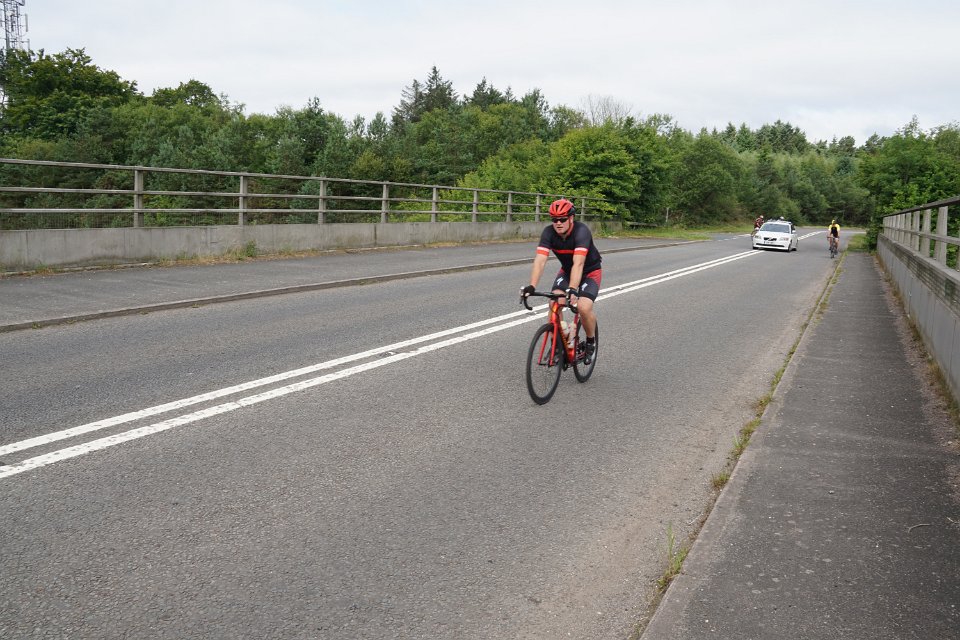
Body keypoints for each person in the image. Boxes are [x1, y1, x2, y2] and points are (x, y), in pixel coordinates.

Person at [521, 198, 602, 362]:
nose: (558, 223)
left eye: (562, 219)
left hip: (590, 272)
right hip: (567, 271)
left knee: (583, 307)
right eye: (554, 219)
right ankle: (558, 344)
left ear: (571, 218)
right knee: (554, 303)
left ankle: (590, 343)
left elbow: (578, 263)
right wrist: (532, 286)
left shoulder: (581, 232)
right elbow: (540, 260)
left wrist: (572, 289)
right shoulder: (548, 233)